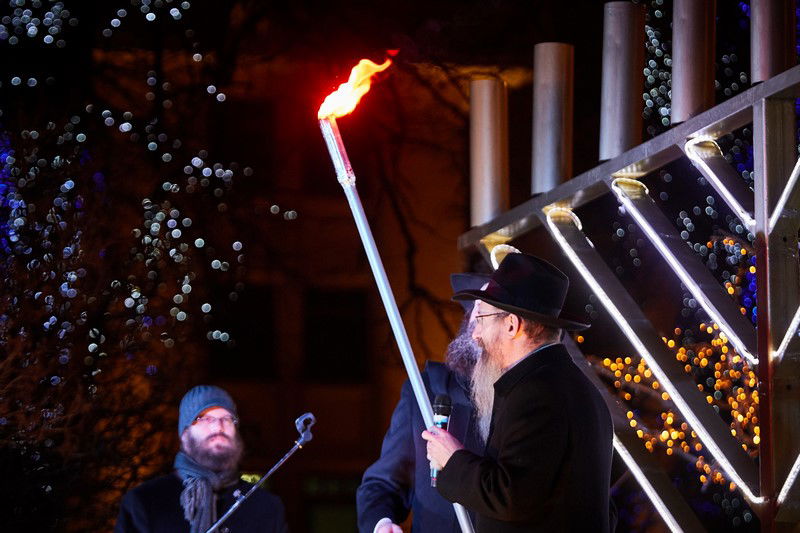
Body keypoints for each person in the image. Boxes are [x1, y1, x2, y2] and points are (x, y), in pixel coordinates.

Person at [423, 253, 614, 532]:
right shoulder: (570, 385)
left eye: (482, 320)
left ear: (512, 325)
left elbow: (511, 495)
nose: (476, 335)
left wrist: (452, 460)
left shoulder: (538, 392)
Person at [356, 273, 490, 533]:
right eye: (478, 310)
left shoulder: (529, 400)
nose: (480, 320)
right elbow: (384, 484)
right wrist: (382, 524)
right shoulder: (427, 391)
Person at [115, 385, 289, 533]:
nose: (218, 426)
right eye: (203, 418)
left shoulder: (266, 507)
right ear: (184, 434)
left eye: (227, 419)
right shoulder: (144, 503)